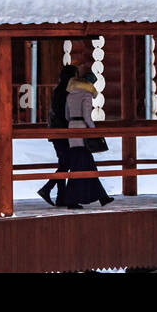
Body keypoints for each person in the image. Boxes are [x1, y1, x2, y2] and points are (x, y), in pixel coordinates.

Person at [58, 70, 114, 209]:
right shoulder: (87, 95)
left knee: (85, 164)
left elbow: (67, 116)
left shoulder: (70, 95)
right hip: (82, 130)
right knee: (81, 165)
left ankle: (102, 197)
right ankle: (72, 200)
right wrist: (94, 131)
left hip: (72, 129)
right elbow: (87, 117)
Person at [38, 65, 78, 205]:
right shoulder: (64, 92)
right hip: (61, 132)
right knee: (66, 163)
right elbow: (62, 113)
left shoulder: (59, 90)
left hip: (57, 131)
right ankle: (47, 189)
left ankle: (61, 197)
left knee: (64, 163)